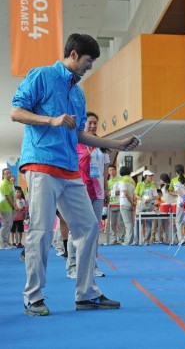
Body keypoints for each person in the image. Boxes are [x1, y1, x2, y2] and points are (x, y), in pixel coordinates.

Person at [11, 33, 138, 316]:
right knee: (41, 232)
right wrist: (51, 119)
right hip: (41, 164)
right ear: (73, 55)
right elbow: (16, 112)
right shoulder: (41, 76)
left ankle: (86, 293)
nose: (90, 66)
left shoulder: (78, 93)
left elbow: (80, 135)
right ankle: (33, 297)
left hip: (70, 170)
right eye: (89, 60)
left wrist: (116, 144)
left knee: (89, 227)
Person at [66, 112, 110, 279]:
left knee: (94, 230)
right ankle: (72, 266)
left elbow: (105, 173)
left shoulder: (101, 147)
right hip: (78, 191)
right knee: (76, 229)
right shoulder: (75, 143)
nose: (92, 126)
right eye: (90, 123)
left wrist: (106, 190)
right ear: (83, 125)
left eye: (95, 123)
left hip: (97, 192)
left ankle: (93, 265)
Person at [170, 164, 185, 244]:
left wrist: (177, 194)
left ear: (176, 172)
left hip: (180, 203)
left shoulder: (174, 180)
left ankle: (181, 239)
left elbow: (171, 191)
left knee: (178, 221)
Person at [134, 170, 157, 245]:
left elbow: (155, 196)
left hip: (149, 206)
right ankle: (136, 240)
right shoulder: (139, 184)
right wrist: (142, 199)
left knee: (149, 222)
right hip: (140, 205)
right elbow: (136, 195)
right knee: (137, 222)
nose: (151, 177)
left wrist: (149, 199)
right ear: (145, 176)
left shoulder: (153, 185)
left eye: (151, 176)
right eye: (149, 176)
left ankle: (147, 240)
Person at [116, 166, 136, 246]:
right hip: (130, 203)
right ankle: (131, 239)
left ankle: (128, 241)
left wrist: (131, 202)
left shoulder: (122, 180)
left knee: (128, 223)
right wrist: (133, 202)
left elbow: (125, 193)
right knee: (131, 222)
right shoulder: (132, 181)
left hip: (125, 203)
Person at [107, 165, 125, 245]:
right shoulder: (108, 181)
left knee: (120, 222)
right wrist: (112, 192)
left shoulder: (120, 180)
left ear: (116, 170)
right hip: (111, 204)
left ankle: (121, 238)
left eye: (113, 170)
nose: (111, 171)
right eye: (110, 170)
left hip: (119, 203)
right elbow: (106, 192)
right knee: (112, 223)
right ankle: (113, 239)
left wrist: (111, 192)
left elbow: (120, 190)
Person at [0, 168, 15, 249]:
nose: (9, 174)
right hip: (5, 206)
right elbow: (7, 196)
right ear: (3, 175)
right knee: (5, 225)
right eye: (7, 173)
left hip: (10, 206)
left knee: (9, 225)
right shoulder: (4, 183)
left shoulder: (10, 183)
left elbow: (13, 195)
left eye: (10, 173)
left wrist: (14, 204)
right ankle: (3, 244)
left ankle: (7, 243)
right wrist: (13, 205)